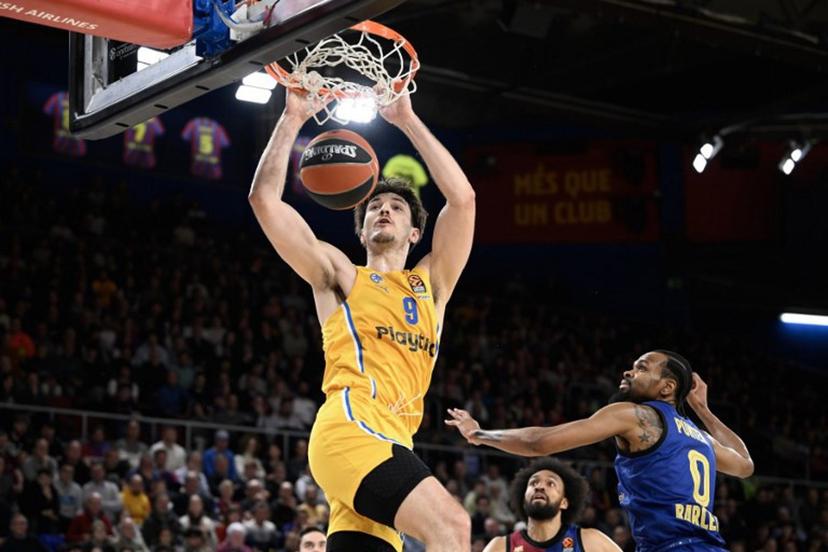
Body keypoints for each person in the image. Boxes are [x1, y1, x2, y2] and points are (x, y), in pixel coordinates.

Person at [248, 85, 475, 551]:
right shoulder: (341, 275)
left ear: (415, 231)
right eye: (374, 206)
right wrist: (291, 118)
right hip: (351, 428)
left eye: (395, 207)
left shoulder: (429, 285)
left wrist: (406, 119)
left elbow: (463, 200)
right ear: (364, 230)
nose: (383, 209)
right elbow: (265, 202)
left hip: (392, 441)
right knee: (452, 528)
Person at [447, 351, 755, 551]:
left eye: (642, 368)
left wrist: (479, 434)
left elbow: (539, 442)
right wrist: (703, 410)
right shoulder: (700, 438)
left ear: (667, 387)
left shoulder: (637, 416)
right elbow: (745, 465)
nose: (628, 372)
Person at [482, 458, 621, 552]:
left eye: (551, 483)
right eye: (533, 483)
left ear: (564, 502)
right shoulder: (500, 547)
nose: (540, 487)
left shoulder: (590, 541)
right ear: (523, 500)